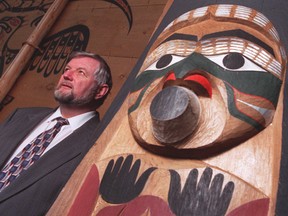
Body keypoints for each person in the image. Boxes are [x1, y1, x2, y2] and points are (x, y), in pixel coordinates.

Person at [0, 51, 112, 215]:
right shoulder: (20, 116)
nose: (67, 75)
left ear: (100, 91)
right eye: (67, 69)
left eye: (80, 72)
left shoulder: (101, 144)